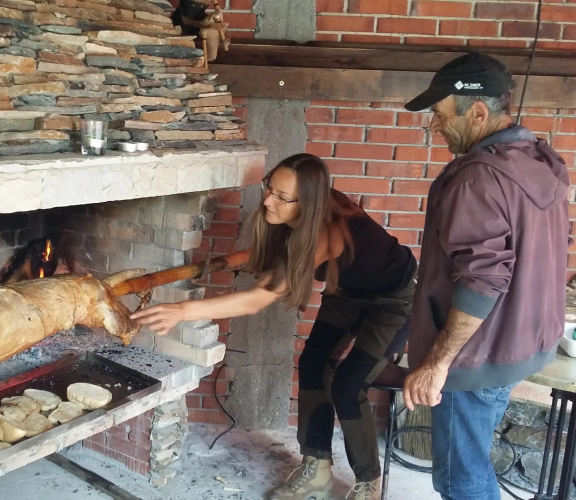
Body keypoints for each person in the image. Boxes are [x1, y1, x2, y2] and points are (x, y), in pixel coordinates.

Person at [131, 153, 417, 500]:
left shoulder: (325, 233)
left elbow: (256, 300)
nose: (268, 200)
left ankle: (369, 481)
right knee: (313, 364)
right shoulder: (305, 209)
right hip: (346, 292)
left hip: (394, 300)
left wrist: (180, 310)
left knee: (349, 385)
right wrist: (222, 262)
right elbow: (276, 252)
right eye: (270, 188)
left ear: (307, 202)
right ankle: (317, 469)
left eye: (282, 197)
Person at [401, 52, 571, 500]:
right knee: (471, 466)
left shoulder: (478, 178)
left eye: (441, 115)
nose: (435, 126)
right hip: (521, 344)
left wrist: (438, 364)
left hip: (475, 356)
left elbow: (482, 280)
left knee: (461, 481)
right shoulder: (538, 160)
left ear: (477, 111)